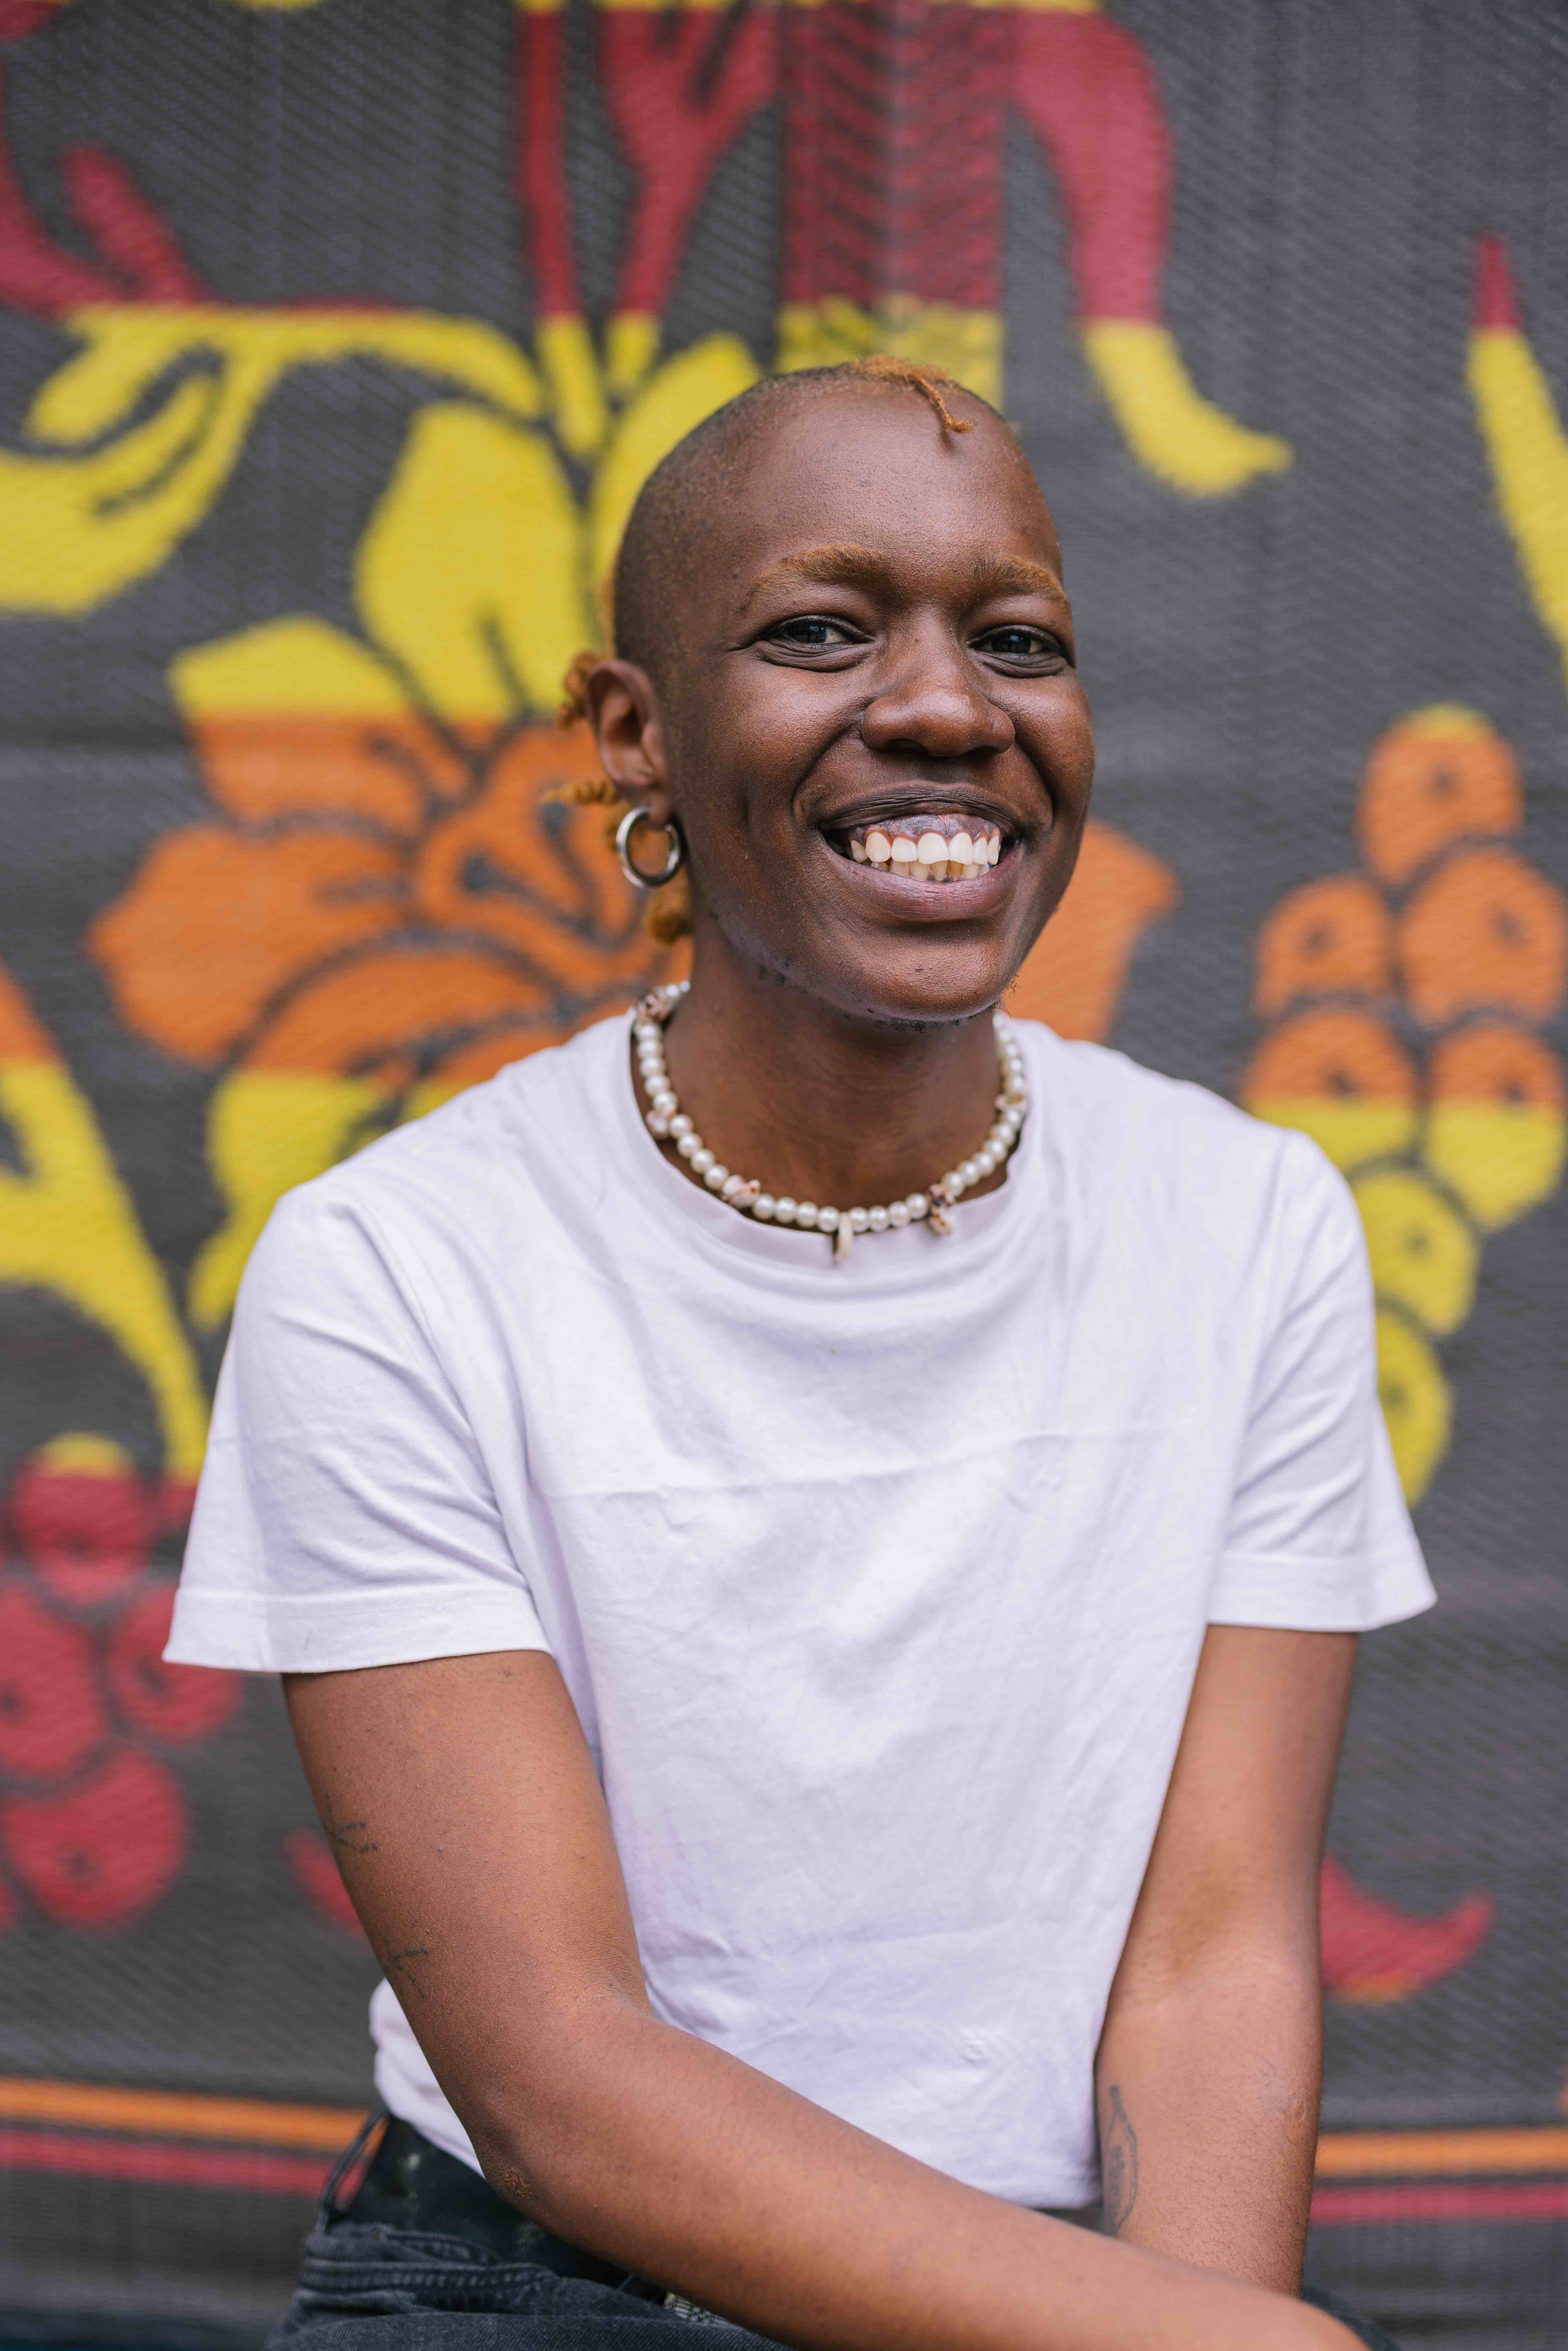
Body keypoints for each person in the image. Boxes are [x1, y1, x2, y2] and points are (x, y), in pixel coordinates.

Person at [168, 356, 1431, 2351]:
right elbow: (561, 2078)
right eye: (819, 633)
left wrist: (1186, 2333)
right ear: (632, 737)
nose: (945, 708)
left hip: (1102, 2284)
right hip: (549, 2280)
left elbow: (1209, 1963)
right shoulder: (395, 1269)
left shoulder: (1246, 1222)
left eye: (1015, 639)